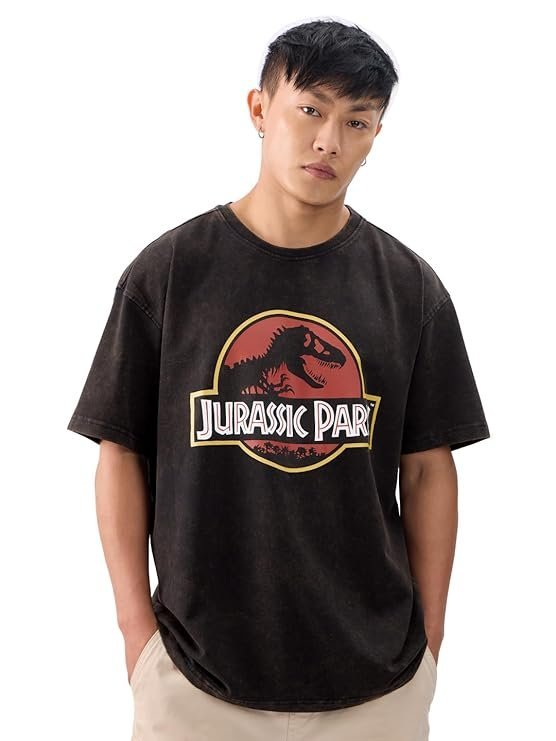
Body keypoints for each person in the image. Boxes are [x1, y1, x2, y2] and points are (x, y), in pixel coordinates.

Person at [67, 18, 490, 741]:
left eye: (356, 121)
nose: (329, 141)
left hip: (377, 683)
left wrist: (431, 637)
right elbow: (119, 451)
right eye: (310, 109)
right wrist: (138, 636)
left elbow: (427, 469)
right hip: (194, 681)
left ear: (376, 135)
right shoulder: (168, 275)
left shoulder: (410, 289)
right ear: (260, 109)